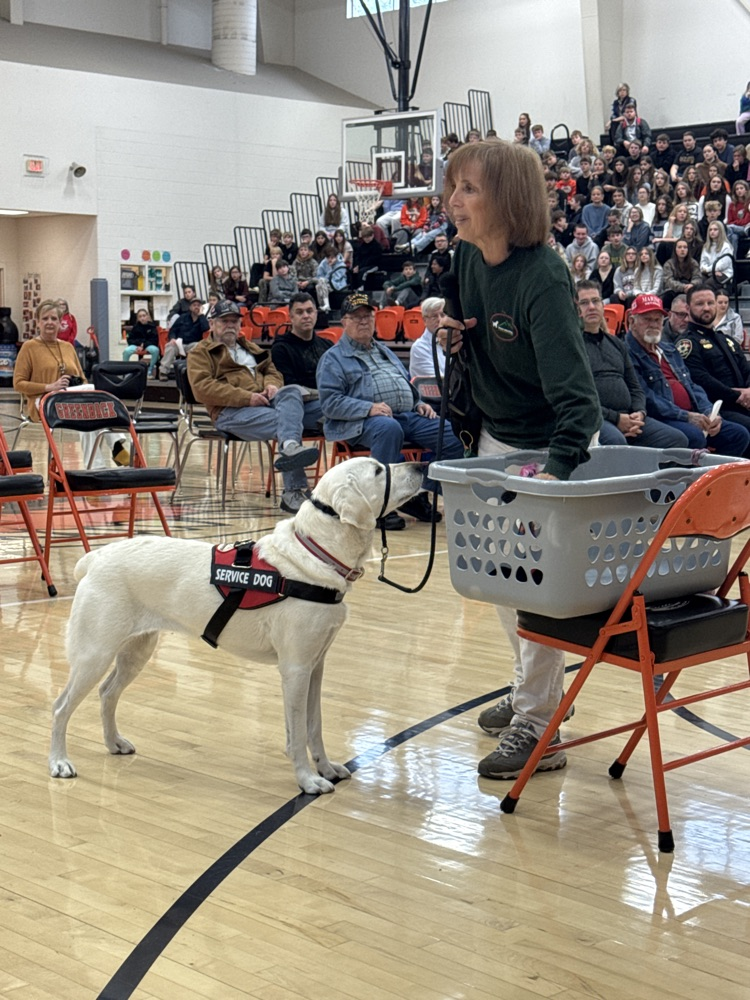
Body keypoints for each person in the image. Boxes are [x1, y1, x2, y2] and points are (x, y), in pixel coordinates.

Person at [437, 139, 600, 780]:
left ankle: (539, 727)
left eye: (469, 189)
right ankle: (529, 692)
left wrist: (554, 477)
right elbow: (462, 308)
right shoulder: (466, 257)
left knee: (531, 588)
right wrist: (453, 329)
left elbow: (580, 405)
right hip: (498, 439)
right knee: (501, 586)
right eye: (454, 188)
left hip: (552, 442)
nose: (453, 201)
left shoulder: (544, 276)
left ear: (507, 198)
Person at [316, 292, 464, 530]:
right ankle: (380, 508)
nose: (364, 321)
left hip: (408, 415)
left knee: (455, 434)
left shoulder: (384, 350)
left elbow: (404, 382)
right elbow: (330, 403)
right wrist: (369, 408)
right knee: (388, 427)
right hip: (363, 423)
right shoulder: (333, 359)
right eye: (356, 317)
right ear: (343, 322)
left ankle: (417, 489)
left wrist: (419, 403)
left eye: (368, 316)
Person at [187, 300, 320, 514]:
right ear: (211, 324)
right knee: (286, 422)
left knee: (296, 393)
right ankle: (293, 490)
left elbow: (273, 370)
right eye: (224, 321)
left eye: (234, 321)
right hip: (229, 412)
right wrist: (246, 397)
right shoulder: (200, 353)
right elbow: (203, 389)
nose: (230, 325)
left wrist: (271, 385)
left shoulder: (249, 346)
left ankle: (289, 447)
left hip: (267, 403)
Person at [626, 294, 749, 456]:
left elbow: (692, 385)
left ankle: (719, 478)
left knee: (737, 435)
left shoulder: (669, 349)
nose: (653, 325)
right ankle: (689, 480)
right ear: (632, 322)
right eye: (647, 319)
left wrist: (710, 413)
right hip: (663, 417)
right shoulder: (627, 353)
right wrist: (686, 416)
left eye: (657, 320)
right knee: (694, 436)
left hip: (693, 413)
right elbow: (648, 398)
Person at [14, 300, 129, 467]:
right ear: (37, 322)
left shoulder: (68, 347)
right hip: (43, 401)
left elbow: (82, 378)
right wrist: (49, 387)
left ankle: (96, 468)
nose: (50, 322)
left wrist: (75, 383)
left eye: (54, 319)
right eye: (45, 318)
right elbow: (18, 383)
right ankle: (116, 445)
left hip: (69, 398)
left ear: (61, 323)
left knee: (91, 403)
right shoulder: (29, 347)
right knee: (92, 396)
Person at [576, 281, 687, 448]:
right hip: (595, 418)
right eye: (584, 303)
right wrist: (617, 419)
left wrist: (639, 413)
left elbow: (635, 387)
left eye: (596, 300)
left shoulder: (616, 344)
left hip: (630, 417)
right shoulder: (571, 346)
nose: (591, 307)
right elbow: (579, 397)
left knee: (677, 439)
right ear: (575, 309)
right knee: (616, 442)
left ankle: (655, 474)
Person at [674, 286, 750, 439]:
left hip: (744, 403)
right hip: (717, 408)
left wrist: (748, 390)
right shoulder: (687, 343)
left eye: (710, 303)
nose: (706, 308)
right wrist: (738, 396)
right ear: (688, 309)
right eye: (700, 304)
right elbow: (700, 379)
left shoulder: (726, 339)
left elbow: (746, 368)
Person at [270, 293, 331, 435]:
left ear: (316, 314)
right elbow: (290, 389)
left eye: (309, 311)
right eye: (299, 312)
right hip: (300, 409)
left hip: (328, 402)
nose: (306, 316)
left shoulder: (327, 345)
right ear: (290, 317)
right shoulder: (281, 348)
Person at [160, 296, 208, 380]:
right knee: (170, 346)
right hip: (179, 343)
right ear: (190, 307)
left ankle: (194, 373)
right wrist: (172, 338)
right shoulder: (182, 317)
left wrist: (201, 316)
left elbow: (205, 328)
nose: (196, 307)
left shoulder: (202, 319)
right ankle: (163, 372)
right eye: (194, 305)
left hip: (193, 344)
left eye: (198, 305)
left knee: (199, 346)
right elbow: (173, 330)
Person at [408, 297, 446, 379]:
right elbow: (439, 383)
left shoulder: (452, 340)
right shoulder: (419, 348)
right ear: (424, 320)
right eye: (434, 316)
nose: (439, 319)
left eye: (442, 315)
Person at [123, 307, 160, 378]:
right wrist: (139, 345)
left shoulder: (152, 326)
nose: (142, 318)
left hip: (148, 345)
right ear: (138, 318)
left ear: (147, 316)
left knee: (156, 350)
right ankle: (126, 371)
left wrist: (144, 345)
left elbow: (154, 339)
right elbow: (130, 339)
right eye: (140, 316)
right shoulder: (136, 327)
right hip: (137, 346)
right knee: (126, 351)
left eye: (144, 316)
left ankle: (150, 369)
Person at [699, 221, 734, 287]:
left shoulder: (726, 246)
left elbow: (722, 265)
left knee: (708, 284)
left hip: (724, 274)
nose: (712, 232)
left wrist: (708, 270)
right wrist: (710, 272)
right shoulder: (706, 246)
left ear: (720, 231)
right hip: (709, 273)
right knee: (698, 282)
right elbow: (702, 264)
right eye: (710, 230)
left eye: (715, 229)